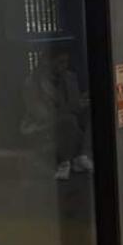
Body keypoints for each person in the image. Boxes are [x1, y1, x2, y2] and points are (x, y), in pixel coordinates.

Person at [21, 47, 93, 181]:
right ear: (48, 63)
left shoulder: (70, 77)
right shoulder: (33, 83)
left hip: (71, 123)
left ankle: (83, 155)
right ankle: (65, 162)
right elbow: (42, 115)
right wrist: (72, 107)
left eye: (66, 62)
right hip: (44, 128)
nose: (64, 67)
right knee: (68, 121)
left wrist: (82, 102)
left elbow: (75, 102)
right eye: (60, 63)